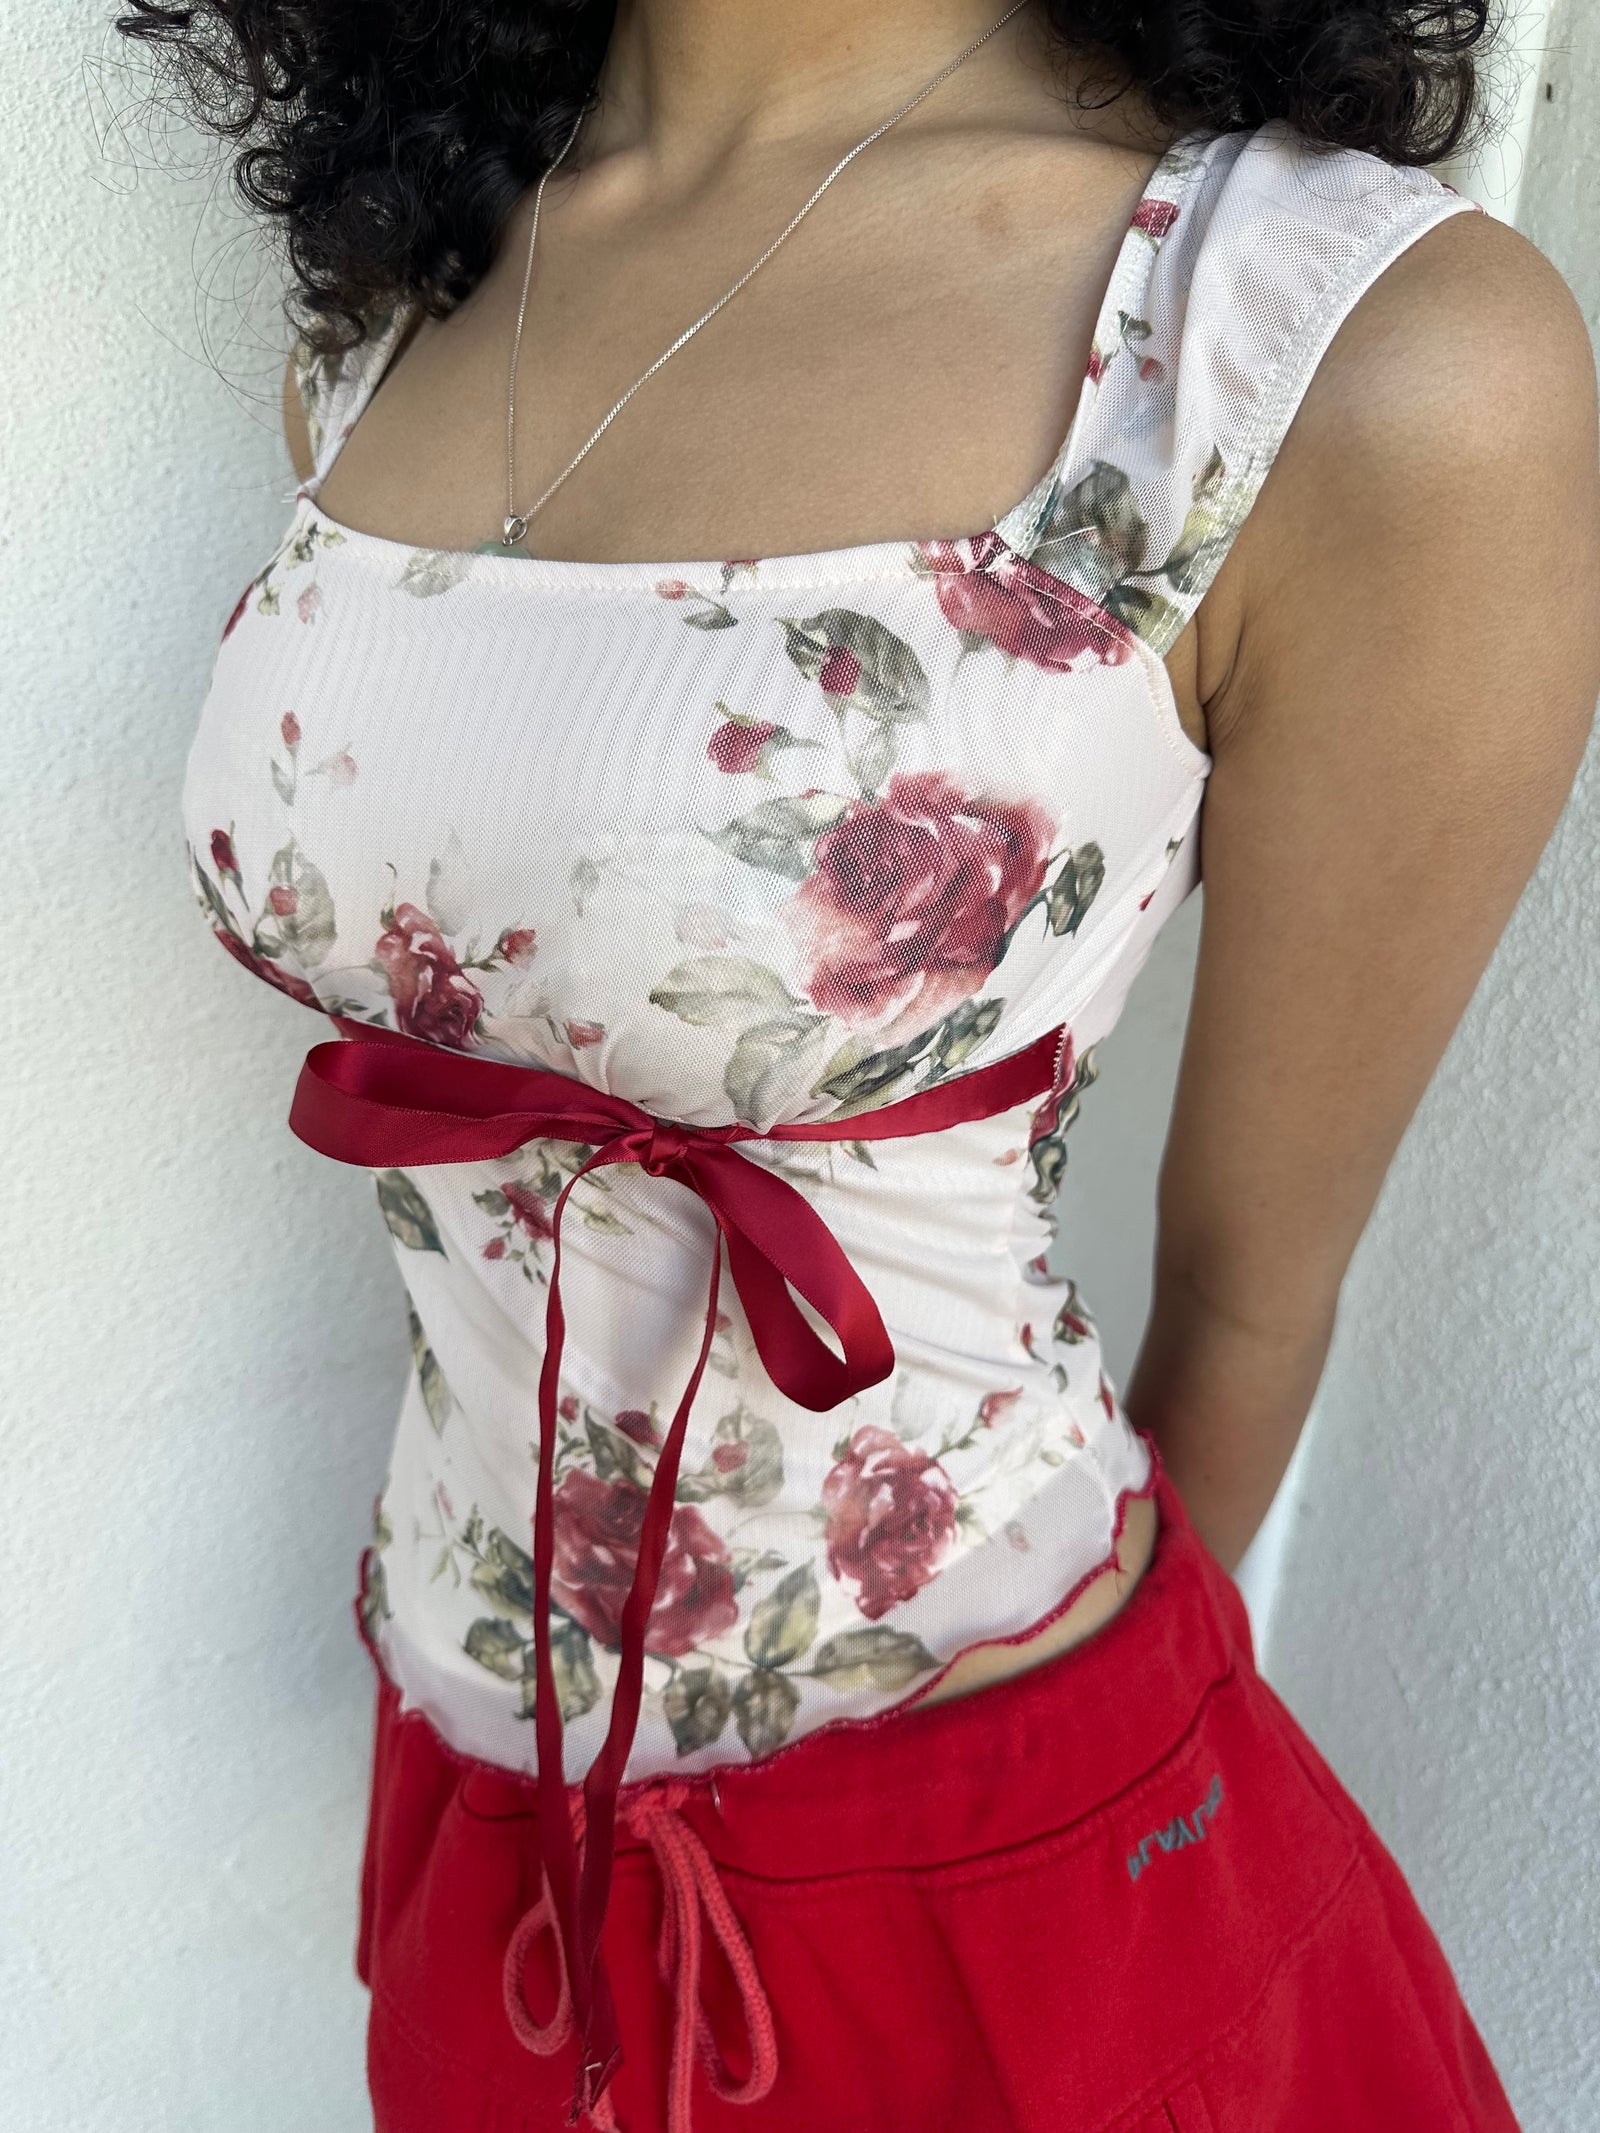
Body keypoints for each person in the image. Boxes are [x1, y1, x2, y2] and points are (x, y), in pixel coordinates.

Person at [134, 0, 1599, 2124]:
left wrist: (1036, 1819)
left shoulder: (1322, 346)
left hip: (992, 1850)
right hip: (473, 1792)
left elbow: (1252, 1297)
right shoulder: (401, 296)